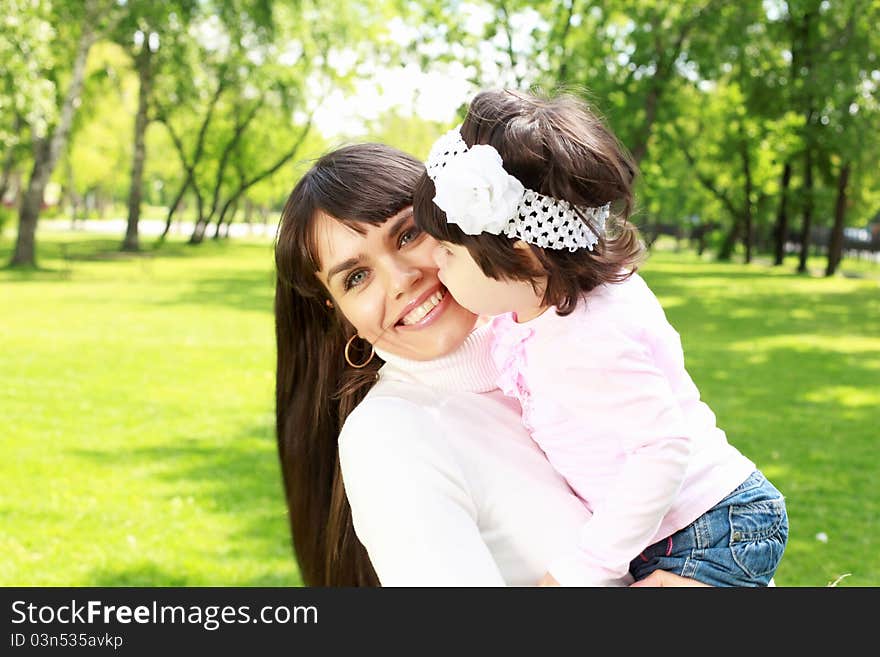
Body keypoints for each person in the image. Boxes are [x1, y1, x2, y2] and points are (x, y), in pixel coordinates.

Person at [273, 141, 705, 587]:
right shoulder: (389, 434)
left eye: (408, 235)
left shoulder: (558, 343)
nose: (401, 280)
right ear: (339, 311)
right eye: (357, 277)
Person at [411, 88, 789, 587]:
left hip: (711, 526)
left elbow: (662, 447)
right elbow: (487, 365)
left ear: (524, 255)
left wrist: (585, 570)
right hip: (674, 530)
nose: (433, 263)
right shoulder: (530, 310)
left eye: (449, 252)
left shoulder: (588, 335)